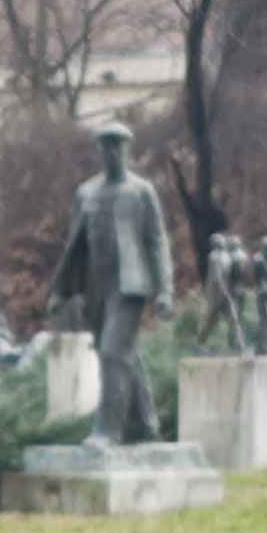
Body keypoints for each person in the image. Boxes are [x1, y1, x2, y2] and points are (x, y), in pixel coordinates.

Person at [48, 120, 175, 443]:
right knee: (125, 353)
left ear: (128, 149)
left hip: (130, 286)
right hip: (95, 286)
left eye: (118, 145)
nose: (112, 151)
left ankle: (109, 430)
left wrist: (165, 291)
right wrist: (61, 291)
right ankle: (146, 426)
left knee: (111, 352)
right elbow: (74, 245)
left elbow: (157, 241)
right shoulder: (86, 193)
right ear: (100, 150)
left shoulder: (141, 191)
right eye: (106, 145)